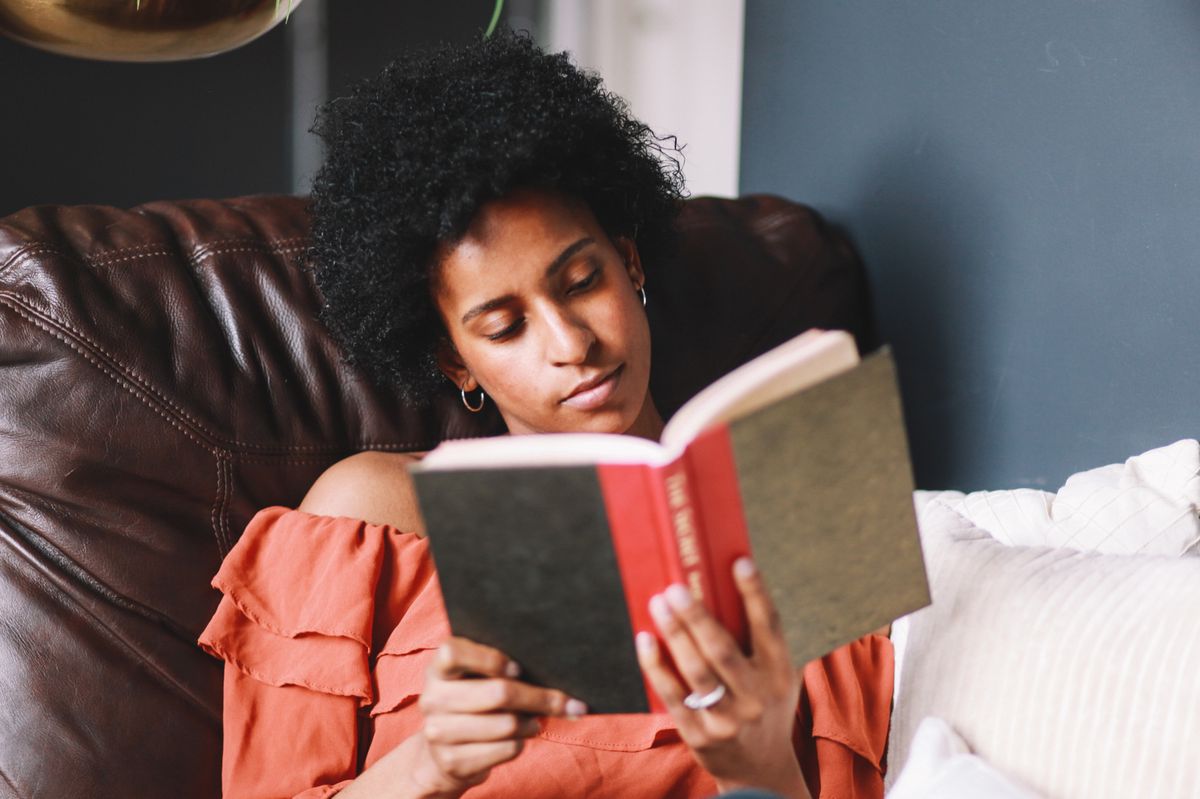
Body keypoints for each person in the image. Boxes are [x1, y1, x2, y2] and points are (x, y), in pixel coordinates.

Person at [198, 33, 894, 799]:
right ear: (457, 361)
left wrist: (759, 768)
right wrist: (429, 764)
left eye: (582, 280)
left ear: (629, 265)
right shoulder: (370, 519)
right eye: (504, 326)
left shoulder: (808, 518)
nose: (573, 344)